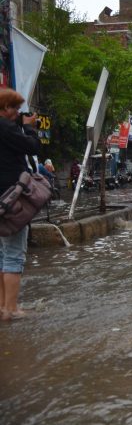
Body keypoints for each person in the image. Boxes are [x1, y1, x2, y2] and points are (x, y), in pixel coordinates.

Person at [0, 89, 41, 321]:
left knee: (1, 254)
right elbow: (32, 146)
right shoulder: (6, 128)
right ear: (5, 108)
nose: (18, 113)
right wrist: (29, 127)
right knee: (14, 254)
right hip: (11, 200)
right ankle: (11, 309)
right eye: (15, 108)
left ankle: (3, 306)